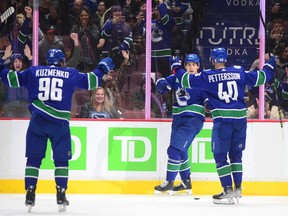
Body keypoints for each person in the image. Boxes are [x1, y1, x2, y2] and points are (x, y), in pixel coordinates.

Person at [0, 48, 115, 212]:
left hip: (37, 121)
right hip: (59, 125)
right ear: (61, 61)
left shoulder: (34, 71)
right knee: (61, 160)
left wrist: (1, 61)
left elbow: (10, 79)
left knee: (33, 159)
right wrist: (103, 66)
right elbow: (91, 80)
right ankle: (61, 193)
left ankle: (30, 192)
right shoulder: (70, 73)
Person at [171, 47, 276, 204]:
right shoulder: (239, 71)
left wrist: (176, 67)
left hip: (223, 122)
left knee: (220, 156)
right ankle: (238, 188)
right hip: (240, 121)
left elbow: (185, 79)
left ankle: (227, 190)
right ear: (225, 59)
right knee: (236, 155)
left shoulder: (207, 76)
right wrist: (271, 62)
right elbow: (262, 77)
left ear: (212, 60)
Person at [154, 54, 207, 194]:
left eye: (194, 64)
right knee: (181, 151)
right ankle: (186, 182)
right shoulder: (178, 77)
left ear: (198, 66)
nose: (191, 67)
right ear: (185, 66)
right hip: (178, 119)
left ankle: (169, 182)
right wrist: (160, 83)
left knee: (174, 150)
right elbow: (162, 84)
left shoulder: (201, 80)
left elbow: (208, 102)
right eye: (188, 64)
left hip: (193, 120)